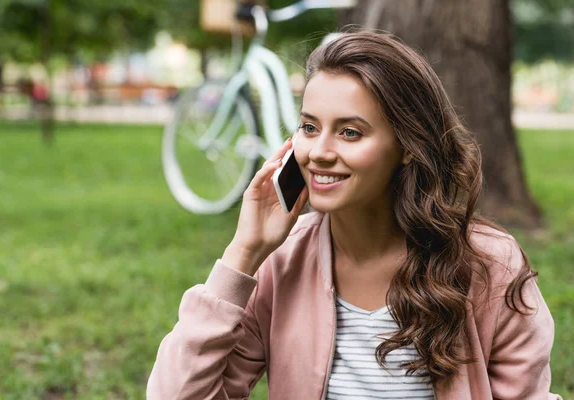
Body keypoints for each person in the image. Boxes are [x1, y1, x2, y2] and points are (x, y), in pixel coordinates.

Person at [147, 32, 561, 400]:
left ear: (407, 146)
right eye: (310, 127)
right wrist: (243, 253)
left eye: (350, 132)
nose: (320, 152)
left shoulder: (490, 265)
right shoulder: (281, 262)